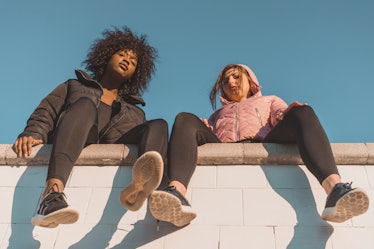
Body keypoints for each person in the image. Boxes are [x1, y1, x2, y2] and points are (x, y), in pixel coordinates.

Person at [148, 63, 370, 227]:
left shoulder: (269, 100)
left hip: (263, 140)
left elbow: (280, 114)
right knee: (185, 118)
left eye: (236, 77)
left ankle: (335, 189)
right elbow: (209, 134)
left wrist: (288, 112)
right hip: (226, 144)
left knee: (304, 112)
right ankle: (176, 192)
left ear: (250, 80)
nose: (231, 83)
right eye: (225, 82)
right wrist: (205, 126)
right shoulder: (217, 114)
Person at [13, 26, 168, 228]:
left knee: (159, 125)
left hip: (113, 145)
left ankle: (150, 191)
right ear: (106, 57)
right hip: (76, 139)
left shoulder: (135, 111)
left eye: (133, 62)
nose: (127, 60)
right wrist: (33, 132)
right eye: (122, 55)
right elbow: (47, 111)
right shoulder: (75, 86)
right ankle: (51, 195)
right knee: (85, 105)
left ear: (135, 73)